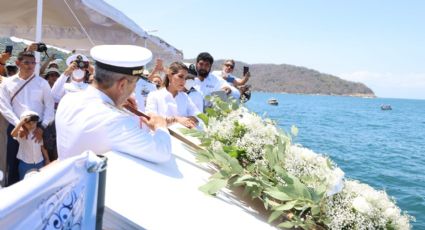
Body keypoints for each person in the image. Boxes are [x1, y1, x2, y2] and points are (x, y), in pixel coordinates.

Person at [55, 45, 171, 163]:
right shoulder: (115, 120)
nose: (133, 90)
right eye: (134, 84)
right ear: (122, 85)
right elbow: (162, 152)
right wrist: (160, 125)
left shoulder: (69, 99)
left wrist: (116, 105)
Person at [0, 51, 55, 186]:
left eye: (33, 63)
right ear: (18, 63)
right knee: (12, 163)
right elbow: (4, 107)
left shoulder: (42, 83)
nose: (30, 66)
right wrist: (19, 125)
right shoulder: (7, 84)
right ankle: (12, 195)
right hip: (16, 128)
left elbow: (49, 107)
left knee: (39, 163)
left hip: (39, 129)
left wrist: (42, 128)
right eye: (26, 62)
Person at [146, 62, 200, 128]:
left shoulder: (185, 97)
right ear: (170, 76)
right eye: (180, 76)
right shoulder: (154, 95)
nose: (183, 81)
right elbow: (151, 118)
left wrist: (185, 120)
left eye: (185, 78)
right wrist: (176, 119)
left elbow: (197, 116)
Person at [10, 111, 50, 180]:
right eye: (28, 123)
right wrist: (21, 123)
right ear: (24, 124)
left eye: (34, 122)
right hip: (25, 164)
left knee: (40, 181)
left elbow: (42, 146)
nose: (31, 125)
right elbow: (13, 134)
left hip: (39, 162)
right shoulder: (22, 134)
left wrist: (47, 159)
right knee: (24, 183)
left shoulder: (38, 133)